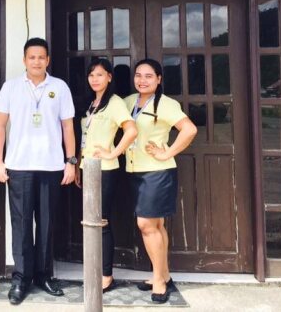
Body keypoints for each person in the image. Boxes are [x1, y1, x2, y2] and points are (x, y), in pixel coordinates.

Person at [0, 37, 77, 305]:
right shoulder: (11, 87)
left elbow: (68, 127)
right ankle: (21, 278)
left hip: (51, 166)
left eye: (41, 57)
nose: (37, 62)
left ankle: (43, 275)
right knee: (20, 224)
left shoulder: (59, 87)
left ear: (48, 60)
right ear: (24, 60)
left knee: (47, 223)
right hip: (19, 166)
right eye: (32, 57)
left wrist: (71, 161)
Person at [124, 58, 197, 303]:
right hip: (134, 170)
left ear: (158, 79)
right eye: (138, 75)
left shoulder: (166, 104)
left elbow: (189, 129)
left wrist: (167, 152)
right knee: (156, 225)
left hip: (157, 172)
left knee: (146, 224)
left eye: (148, 76)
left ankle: (158, 281)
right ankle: (164, 274)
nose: (142, 80)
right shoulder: (128, 102)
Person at [77, 58, 137, 292]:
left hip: (105, 170)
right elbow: (85, 137)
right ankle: (94, 269)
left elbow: (131, 130)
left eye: (100, 74)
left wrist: (113, 153)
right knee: (90, 221)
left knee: (101, 221)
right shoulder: (91, 103)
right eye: (91, 75)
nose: (95, 79)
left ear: (110, 77)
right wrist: (79, 164)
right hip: (87, 167)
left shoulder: (114, 103)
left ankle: (106, 275)